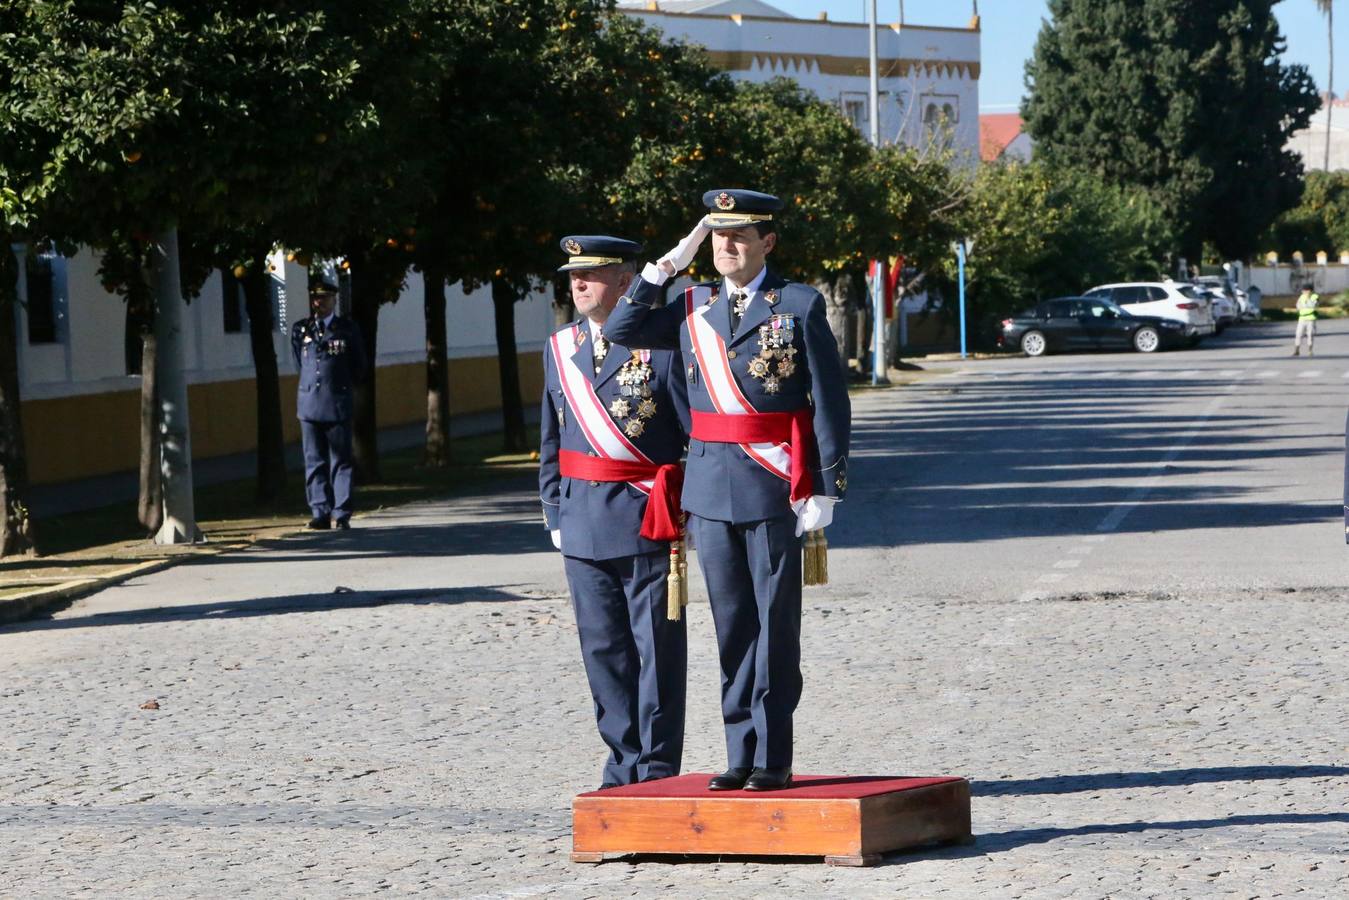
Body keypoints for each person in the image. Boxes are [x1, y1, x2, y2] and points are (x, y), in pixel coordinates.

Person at [604, 189, 851, 792]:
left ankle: (773, 754)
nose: (726, 246)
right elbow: (621, 326)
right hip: (710, 491)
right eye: (717, 236)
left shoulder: (797, 304)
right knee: (732, 624)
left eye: (739, 235)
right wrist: (666, 265)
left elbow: (830, 400)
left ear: (767, 242)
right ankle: (739, 750)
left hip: (772, 485)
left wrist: (826, 484)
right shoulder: (692, 305)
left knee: (773, 623)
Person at [539, 235, 691, 789]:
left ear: (626, 282)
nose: (578, 283)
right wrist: (554, 511)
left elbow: (690, 436)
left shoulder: (663, 346)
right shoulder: (559, 348)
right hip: (581, 522)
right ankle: (621, 763)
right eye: (573, 275)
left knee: (656, 650)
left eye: (593, 273)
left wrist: (684, 509)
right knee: (602, 651)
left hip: (643, 517)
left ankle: (654, 767)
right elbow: (551, 439)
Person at [290, 286, 367, 530]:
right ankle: (320, 511)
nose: (318, 302)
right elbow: (298, 364)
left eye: (324, 298)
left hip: (336, 402)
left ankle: (342, 512)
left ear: (334, 300)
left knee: (340, 460)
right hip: (309, 404)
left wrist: (341, 387)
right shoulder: (301, 329)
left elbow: (359, 366)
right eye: (315, 298)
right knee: (314, 460)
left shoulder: (346, 329)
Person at [1293, 285, 1318, 356]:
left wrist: (1308, 298)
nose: (1305, 292)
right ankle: (1297, 350)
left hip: (1311, 319)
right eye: (1303, 290)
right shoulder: (1301, 297)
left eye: (1307, 290)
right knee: (1298, 334)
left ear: (1311, 291)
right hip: (1302, 319)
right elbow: (1298, 306)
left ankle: (1310, 350)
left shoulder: (1314, 297)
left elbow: (1313, 305)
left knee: (1310, 335)